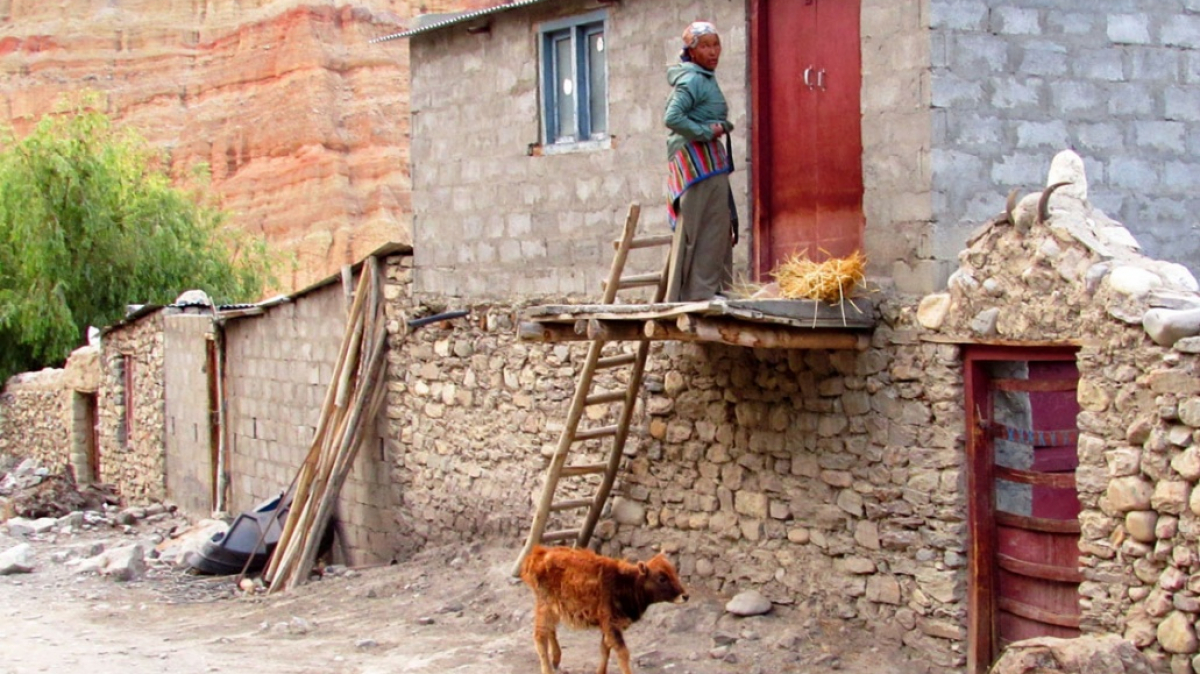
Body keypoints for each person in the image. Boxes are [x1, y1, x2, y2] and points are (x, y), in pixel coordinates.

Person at [663, 21, 735, 302]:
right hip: (696, 162)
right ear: (691, 51)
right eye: (705, 46)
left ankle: (713, 288)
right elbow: (672, 117)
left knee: (717, 226)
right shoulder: (692, 80)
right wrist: (705, 132)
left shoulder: (704, 77)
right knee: (702, 227)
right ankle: (698, 292)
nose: (713, 52)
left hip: (709, 161)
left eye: (716, 45)